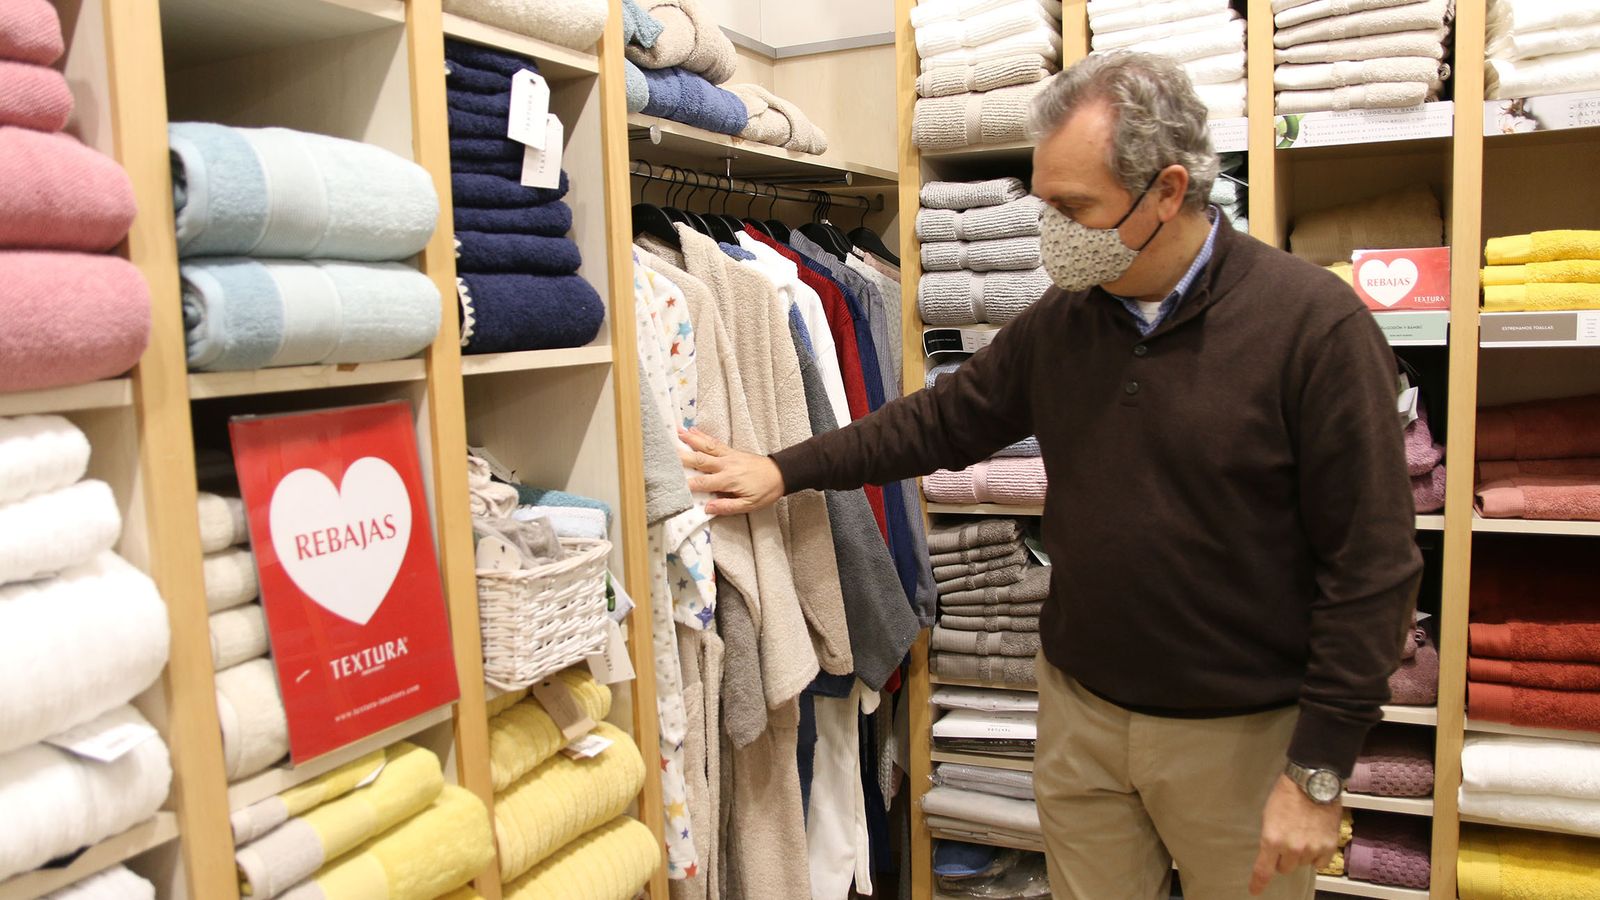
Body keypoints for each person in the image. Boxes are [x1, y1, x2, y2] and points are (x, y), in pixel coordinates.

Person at [677, 51, 1422, 900]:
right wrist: (784, 468)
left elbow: (1373, 567)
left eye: (1073, 208)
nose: (1050, 230)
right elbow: (940, 422)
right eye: (1044, 203)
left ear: (1167, 192)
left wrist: (1318, 771)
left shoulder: (1313, 328)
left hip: (1240, 738)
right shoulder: (1068, 321)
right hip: (1081, 715)